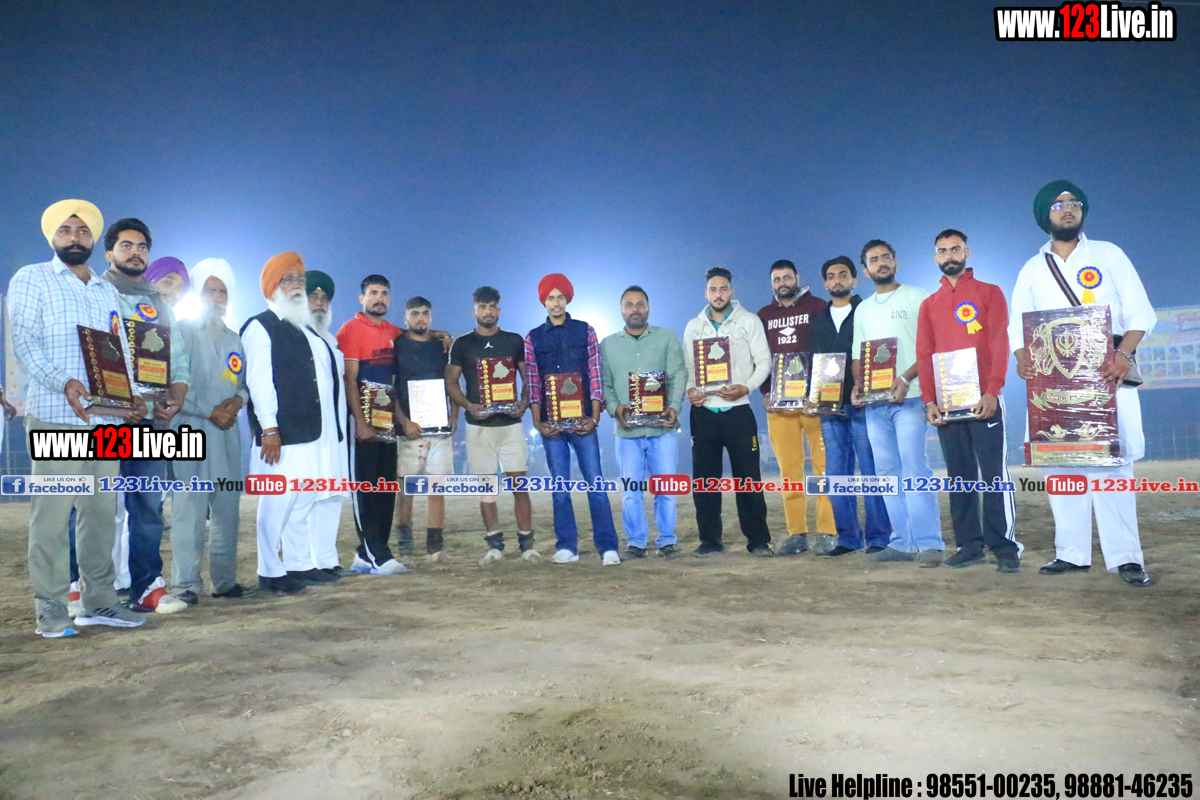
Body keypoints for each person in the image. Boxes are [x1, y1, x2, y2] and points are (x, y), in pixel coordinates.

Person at [7, 199, 147, 636]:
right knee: (52, 516)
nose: (74, 237)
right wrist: (63, 381)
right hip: (55, 417)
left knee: (102, 515)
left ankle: (99, 601)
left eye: (83, 230)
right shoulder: (32, 278)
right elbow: (24, 342)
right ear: (52, 236)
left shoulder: (106, 292)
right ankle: (50, 606)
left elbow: (117, 353)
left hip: (105, 424)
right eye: (66, 230)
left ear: (92, 239)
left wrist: (132, 398)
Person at [1009, 180, 1155, 586]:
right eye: (1058, 205)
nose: (1067, 209)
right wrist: (1022, 358)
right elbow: (1017, 325)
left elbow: (1140, 312)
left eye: (1073, 202)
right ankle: (1070, 554)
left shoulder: (1108, 254)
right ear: (1045, 215)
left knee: (1113, 466)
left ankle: (1126, 558)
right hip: (1053, 380)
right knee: (1061, 465)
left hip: (1107, 373)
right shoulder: (1031, 268)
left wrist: (1124, 354)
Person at [241, 252, 350, 595]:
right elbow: (259, 382)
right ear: (272, 286)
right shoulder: (260, 326)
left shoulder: (303, 328)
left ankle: (299, 564)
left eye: (300, 279)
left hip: (311, 433)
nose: (297, 286)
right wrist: (269, 429)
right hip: (282, 434)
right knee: (277, 501)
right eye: (288, 279)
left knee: (302, 500)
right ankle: (269, 571)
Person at [916, 230, 1021, 572]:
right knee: (959, 476)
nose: (949, 255)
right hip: (947, 405)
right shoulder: (929, 305)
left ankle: (1004, 547)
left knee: (993, 475)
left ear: (967, 252)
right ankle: (968, 545)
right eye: (943, 250)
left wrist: (993, 390)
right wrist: (929, 400)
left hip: (984, 400)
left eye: (955, 249)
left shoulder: (990, 292)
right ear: (935, 257)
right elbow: (924, 353)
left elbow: (999, 342)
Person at [101, 218, 192, 613]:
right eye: (126, 245)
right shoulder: (95, 293)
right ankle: (81, 587)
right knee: (96, 506)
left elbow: (179, 356)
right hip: (106, 417)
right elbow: (95, 351)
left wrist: (178, 391)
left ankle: (147, 587)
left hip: (150, 420)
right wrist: (123, 399)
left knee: (148, 507)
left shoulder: (157, 303)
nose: (135, 252)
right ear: (109, 253)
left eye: (141, 247)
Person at [168, 258, 258, 601]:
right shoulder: (180, 331)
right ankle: (185, 585)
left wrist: (237, 401)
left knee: (227, 509)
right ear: (198, 293)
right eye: (210, 291)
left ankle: (224, 582)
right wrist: (211, 411)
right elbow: (172, 387)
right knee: (189, 512)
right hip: (189, 432)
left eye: (222, 292)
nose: (217, 298)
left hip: (226, 435)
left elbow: (244, 384)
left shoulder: (235, 339)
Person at [851, 240, 945, 567]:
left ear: (895, 262)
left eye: (885, 257)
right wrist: (859, 386)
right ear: (865, 270)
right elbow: (858, 356)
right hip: (876, 404)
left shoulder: (917, 296)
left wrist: (905, 378)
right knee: (887, 473)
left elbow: (931, 346)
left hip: (912, 396)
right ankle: (902, 542)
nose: (881, 262)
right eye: (873, 259)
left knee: (914, 468)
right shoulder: (862, 309)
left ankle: (929, 543)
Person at [526, 273, 620, 565]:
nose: (556, 303)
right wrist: (537, 422)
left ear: (567, 299)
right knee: (560, 489)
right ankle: (567, 546)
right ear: (544, 302)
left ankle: (608, 547)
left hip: (583, 423)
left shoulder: (585, 330)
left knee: (596, 485)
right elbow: (532, 381)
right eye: (550, 298)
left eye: (560, 297)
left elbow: (595, 373)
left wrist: (595, 416)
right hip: (551, 425)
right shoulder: (533, 337)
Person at [683, 267, 774, 557]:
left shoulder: (749, 321)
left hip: (738, 410)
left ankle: (758, 540)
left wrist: (746, 387)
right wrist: (691, 391)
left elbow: (764, 362)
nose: (718, 294)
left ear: (731, 291)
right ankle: (710, 540)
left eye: (723, 288)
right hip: (704, 413)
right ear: (706, 293)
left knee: (748, 478)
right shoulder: (693, 327)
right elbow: (687, 368)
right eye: (713, 289)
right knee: (705, 481)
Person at [446, 286, 539, 563]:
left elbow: (529, 378)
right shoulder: (462, 344)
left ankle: (527, 544)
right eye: (482, 307)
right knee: (486, 489)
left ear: (499, 310)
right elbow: (450, 382)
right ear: (473, 311)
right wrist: (469, 406)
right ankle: (495, 546)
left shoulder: (513, 340)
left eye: (491, 307)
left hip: (510, 425)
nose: (487, 312)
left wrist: (524, 401)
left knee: (520, 486)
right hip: (479, 427)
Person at [809, 256, 891, 557]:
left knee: (870, 472)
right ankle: (848, 538)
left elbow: (879, 352)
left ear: (854, 280)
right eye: (831, 276)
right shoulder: (817, 319)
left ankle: (879, 537)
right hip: (829, 409)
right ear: (825, 283)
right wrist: (811, 396)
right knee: (835, 475)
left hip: (863, 405)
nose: (837, 280)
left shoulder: (866, 310)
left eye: (843, 275)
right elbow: (813, 361)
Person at [600, 285, 688, 559]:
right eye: (629, 304)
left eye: (640, 304)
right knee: (631, 491)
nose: (635, 309)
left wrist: (674, 406)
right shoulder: (608, 345)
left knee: (666, 489)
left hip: (662, 429)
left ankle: (666, 541)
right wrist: (614, 408)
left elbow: (678, 375)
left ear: (648, 308)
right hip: (627, 433)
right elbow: (604, 384)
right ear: (621, 311)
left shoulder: (666, 337)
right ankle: (636, 543)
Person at [756, 259, 837, 555]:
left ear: (797, 278)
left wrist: (822, 392)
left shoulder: (818, 307)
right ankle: (797, 533)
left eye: (787, 277)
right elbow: (759, 359)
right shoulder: (764, 316)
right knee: (789, 471)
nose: (782, 283)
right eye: (777, 279)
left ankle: (827, 531)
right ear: (772, 283)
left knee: (824, 469)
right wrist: (766, 391)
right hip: (780, 407)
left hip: (813, 404)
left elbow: (829, 349)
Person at [335, 274, 409, 575]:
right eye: (374, 292)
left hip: (387, 424)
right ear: (362, 298)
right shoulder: (350, 330)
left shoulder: (393, 331)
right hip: (363, 427)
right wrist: (360, 423)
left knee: (385, 488)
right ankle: (378, 554)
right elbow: (349, 379)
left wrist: (441, 334)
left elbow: (414, 339)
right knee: (365, 490)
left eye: (384, 293)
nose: (379, 298)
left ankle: (366, 555)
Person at [394, 297, 458, 562]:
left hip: (439, 426)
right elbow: (391, 387)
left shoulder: (442, 346)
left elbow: (452, 381)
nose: (420, 318)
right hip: (409, 428)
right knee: (405, 489)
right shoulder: (397, 344)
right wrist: (403, 422)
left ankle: (435, 548)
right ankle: (405, 546)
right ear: (406, 317)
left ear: (430, 317)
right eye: (415, 313)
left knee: (437, 487)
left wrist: (454, 414)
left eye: (425, 313)